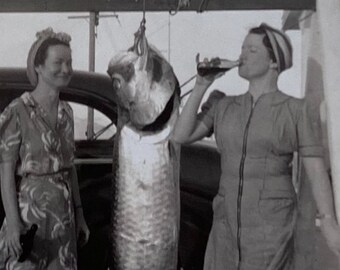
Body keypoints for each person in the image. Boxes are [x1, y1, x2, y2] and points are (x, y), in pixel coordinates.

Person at [172, 23, 340, 270]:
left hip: (272, 229)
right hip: (225, 226)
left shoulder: (296, 110)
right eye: (242, 48)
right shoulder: (222, 104)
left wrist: (328, 222)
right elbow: (180, 135)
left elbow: (315, 171)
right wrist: (201, 85)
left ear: (274, 61)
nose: (242, 55)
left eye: (251, 50)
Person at [0, 28, 90, 269]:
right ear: (38, 66)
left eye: (69, 63)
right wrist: (12, 223)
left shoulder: (67, 113)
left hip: (63, 218)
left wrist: (79, 216)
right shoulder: (17, 110)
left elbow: (69, 168)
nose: (66, 69)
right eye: (58, 62)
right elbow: (6, 171)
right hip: (28, 216)